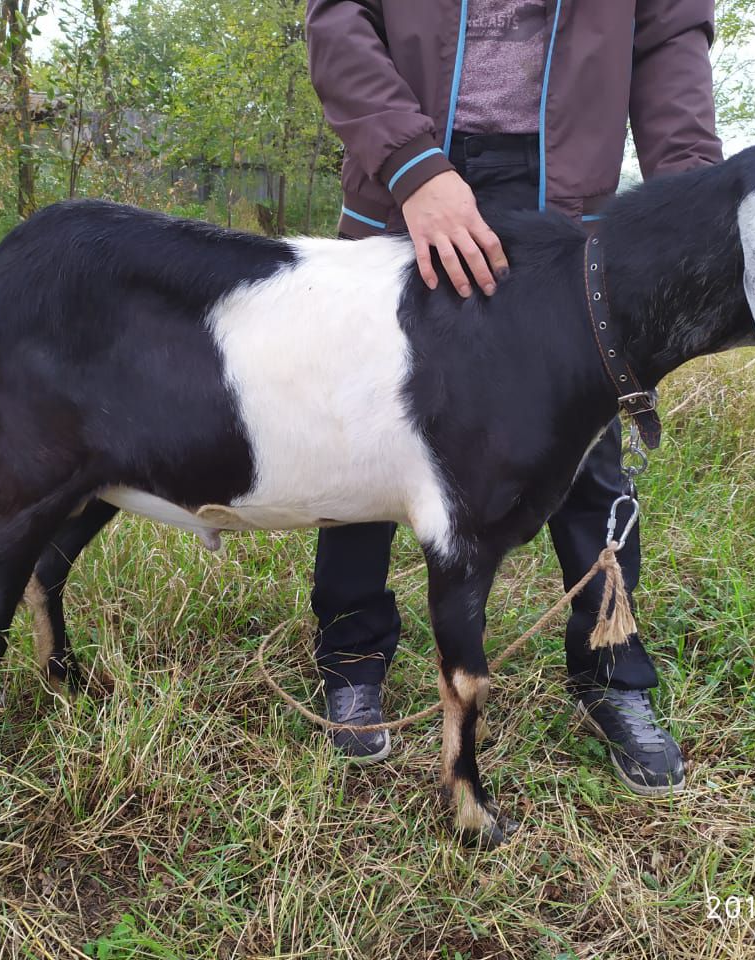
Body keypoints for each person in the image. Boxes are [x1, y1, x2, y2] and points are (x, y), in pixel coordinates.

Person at [303, 0, 721, 795]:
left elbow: (667, 34)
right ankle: (353, 654)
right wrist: (414, 168)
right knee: (372, 431)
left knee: (584, 447)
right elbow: (342, 22)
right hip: (407, 185)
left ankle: (611, 672)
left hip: (564, 201)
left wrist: (693, 201)